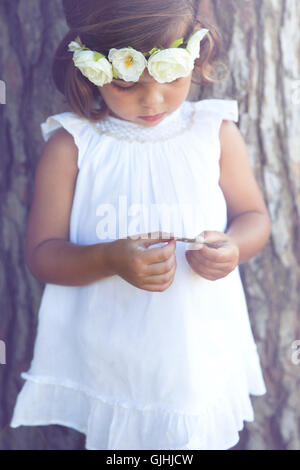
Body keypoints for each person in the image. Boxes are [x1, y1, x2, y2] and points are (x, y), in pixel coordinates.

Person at [10, 0, 271, 450]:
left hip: (195, 348)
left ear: (196, 58)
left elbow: (255, 217)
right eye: (128, 85)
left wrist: (233, 246)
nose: (153, 99)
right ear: (90, 71)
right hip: (111, 353)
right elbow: (43, 256)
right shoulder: (72, 146)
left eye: (171, 75)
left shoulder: (213, 132)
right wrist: (110, 257)